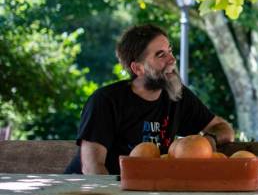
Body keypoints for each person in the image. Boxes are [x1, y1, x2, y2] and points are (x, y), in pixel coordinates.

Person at [65, 24, 234, 175]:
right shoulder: (106, 101)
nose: (172, 60)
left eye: (170, 51)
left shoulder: (177, 96)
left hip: (146, 194)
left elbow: (223, 129)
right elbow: (92, 168)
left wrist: (208, 141)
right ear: (138, 68)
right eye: (161, 55)